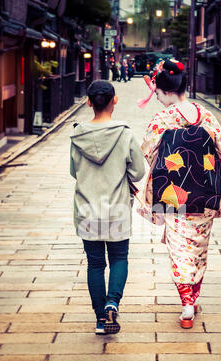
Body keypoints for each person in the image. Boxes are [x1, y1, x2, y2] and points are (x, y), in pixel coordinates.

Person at [140, 59, 221, 329]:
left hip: (173, 196)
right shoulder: (205, 114)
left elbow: (148, 149)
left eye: (156, 92)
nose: (155, 96)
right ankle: (195, 297)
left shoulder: (163, 118)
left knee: (180, 250)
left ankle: (187, 303)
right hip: (204, 193)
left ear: (165, 91)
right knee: (199, 249)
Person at [70, 80, 145, 335]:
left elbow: (74, 172)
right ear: (115, 100)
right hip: (117, 209)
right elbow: (138, 172)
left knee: (95, 265)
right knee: (119, 258)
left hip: (87, 209)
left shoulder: (77, 135)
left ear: (89, 102)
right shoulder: (125, 134)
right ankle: (113, 301)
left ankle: (101, 319)